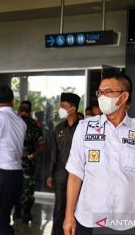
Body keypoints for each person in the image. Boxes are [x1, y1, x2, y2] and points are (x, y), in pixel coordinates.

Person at [64, 74, 135, 235]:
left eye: (108, 91)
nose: (101, 96)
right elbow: (75, 173)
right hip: (88, 218)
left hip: (127, 220)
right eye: (100, 92)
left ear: (124, 96)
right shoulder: (84, 128)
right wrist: (69, 214)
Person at [0, 85, 27, 235]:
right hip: (16, 174)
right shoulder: (20, 121)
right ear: (12, 101)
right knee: (3, 218)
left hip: (0, 174)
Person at [46, 92, 81, 235]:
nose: (60, 109)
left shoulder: (83, 128)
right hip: (61, 174)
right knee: (59, 208)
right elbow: (54, 152)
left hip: (79, 176)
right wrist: (50, 174)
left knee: (77, 208)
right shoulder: (59, 128)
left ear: (72, 108)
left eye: (63, 106)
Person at [13, 100, 44, 223]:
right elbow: (41, 144)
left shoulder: (13, 122)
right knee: (27, 189)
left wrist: (31, 155)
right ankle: (24, 213)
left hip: (16, 163)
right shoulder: (34, 124)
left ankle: (19, 213)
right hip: (25, 163)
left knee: (18, 188)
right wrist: (33, 155)